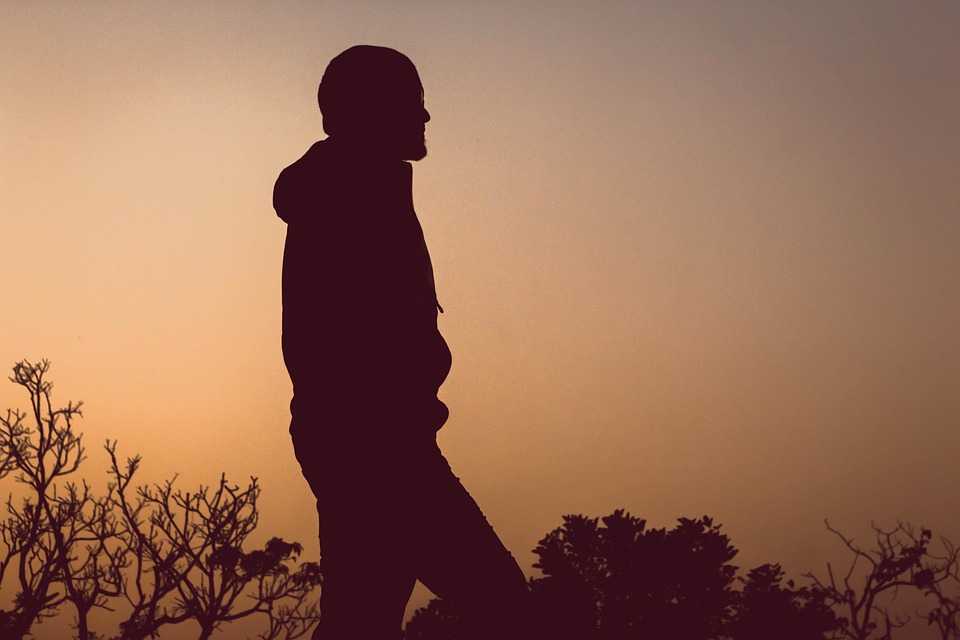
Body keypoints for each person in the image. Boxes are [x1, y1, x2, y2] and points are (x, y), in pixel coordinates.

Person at [273, 45, 530, 639]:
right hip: (376, 443)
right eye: (412, 101)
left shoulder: (357, 184)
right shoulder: (350, 187)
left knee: (360, 622)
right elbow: (353, 335)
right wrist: (388, 426)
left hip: (365, 438)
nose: (426, 116)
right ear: (372, 109)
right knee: (502, 601)